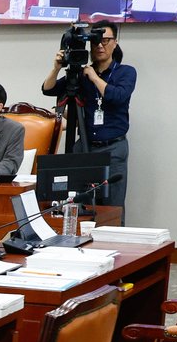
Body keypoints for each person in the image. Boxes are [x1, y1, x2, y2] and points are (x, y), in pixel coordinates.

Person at [41, 20, 135, 212]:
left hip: (113, 148)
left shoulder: (126, 72)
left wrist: (93, 77)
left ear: (115, 42)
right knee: (79, 203)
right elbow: (48, 89)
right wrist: (57, 67)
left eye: (106, 40)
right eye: (95, 41)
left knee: (112, 208)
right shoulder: (80, 73)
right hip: (84, 147)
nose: (100, 45)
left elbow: (117, 96)